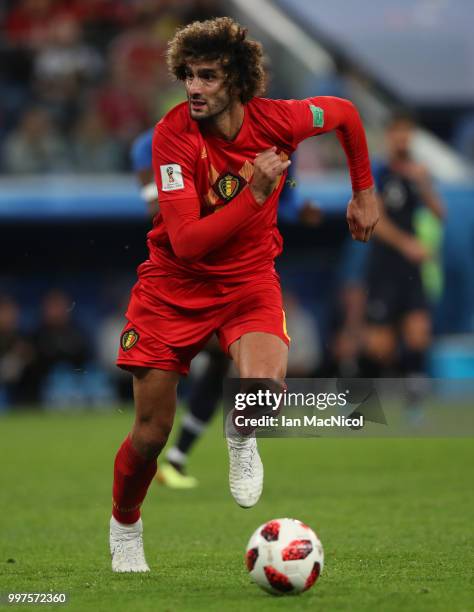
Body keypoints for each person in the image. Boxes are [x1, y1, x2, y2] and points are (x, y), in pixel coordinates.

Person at [110, 16, 378, 573]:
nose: (194, 88)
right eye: (188, 75)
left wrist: (363, 192)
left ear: (236, 79)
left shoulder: (279, 119)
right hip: (172, 288)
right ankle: (126, 525)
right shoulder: (172, 136)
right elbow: (185, 243)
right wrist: (256, 193)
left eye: (207, 76)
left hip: (247, 281)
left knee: (261, 389)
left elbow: (347, 115)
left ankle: (242, 437)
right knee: (150, 433)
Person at [131, 128, 230, 489]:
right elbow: (145, 156)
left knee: (228, 355)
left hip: (225, 276)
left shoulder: (257, 136)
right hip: (178, 282)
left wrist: (298, 202)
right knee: (156, 401)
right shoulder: (169, 138)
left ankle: (178, 456)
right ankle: (153, 467)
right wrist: (153, 193)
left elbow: (285, 193)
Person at [361, 112, 445, 413]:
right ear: (388, 136)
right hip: (384, 266)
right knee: (378, 347)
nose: (402, 138)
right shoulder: (377, 173)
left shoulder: (416, 174)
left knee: (418, 333)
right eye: (397, 132)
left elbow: (440, 213)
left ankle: (415, 408)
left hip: (411, 269)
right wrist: (406, 243)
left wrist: (424, 183)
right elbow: (376, 219)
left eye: (407, 133)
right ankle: (362, 405)